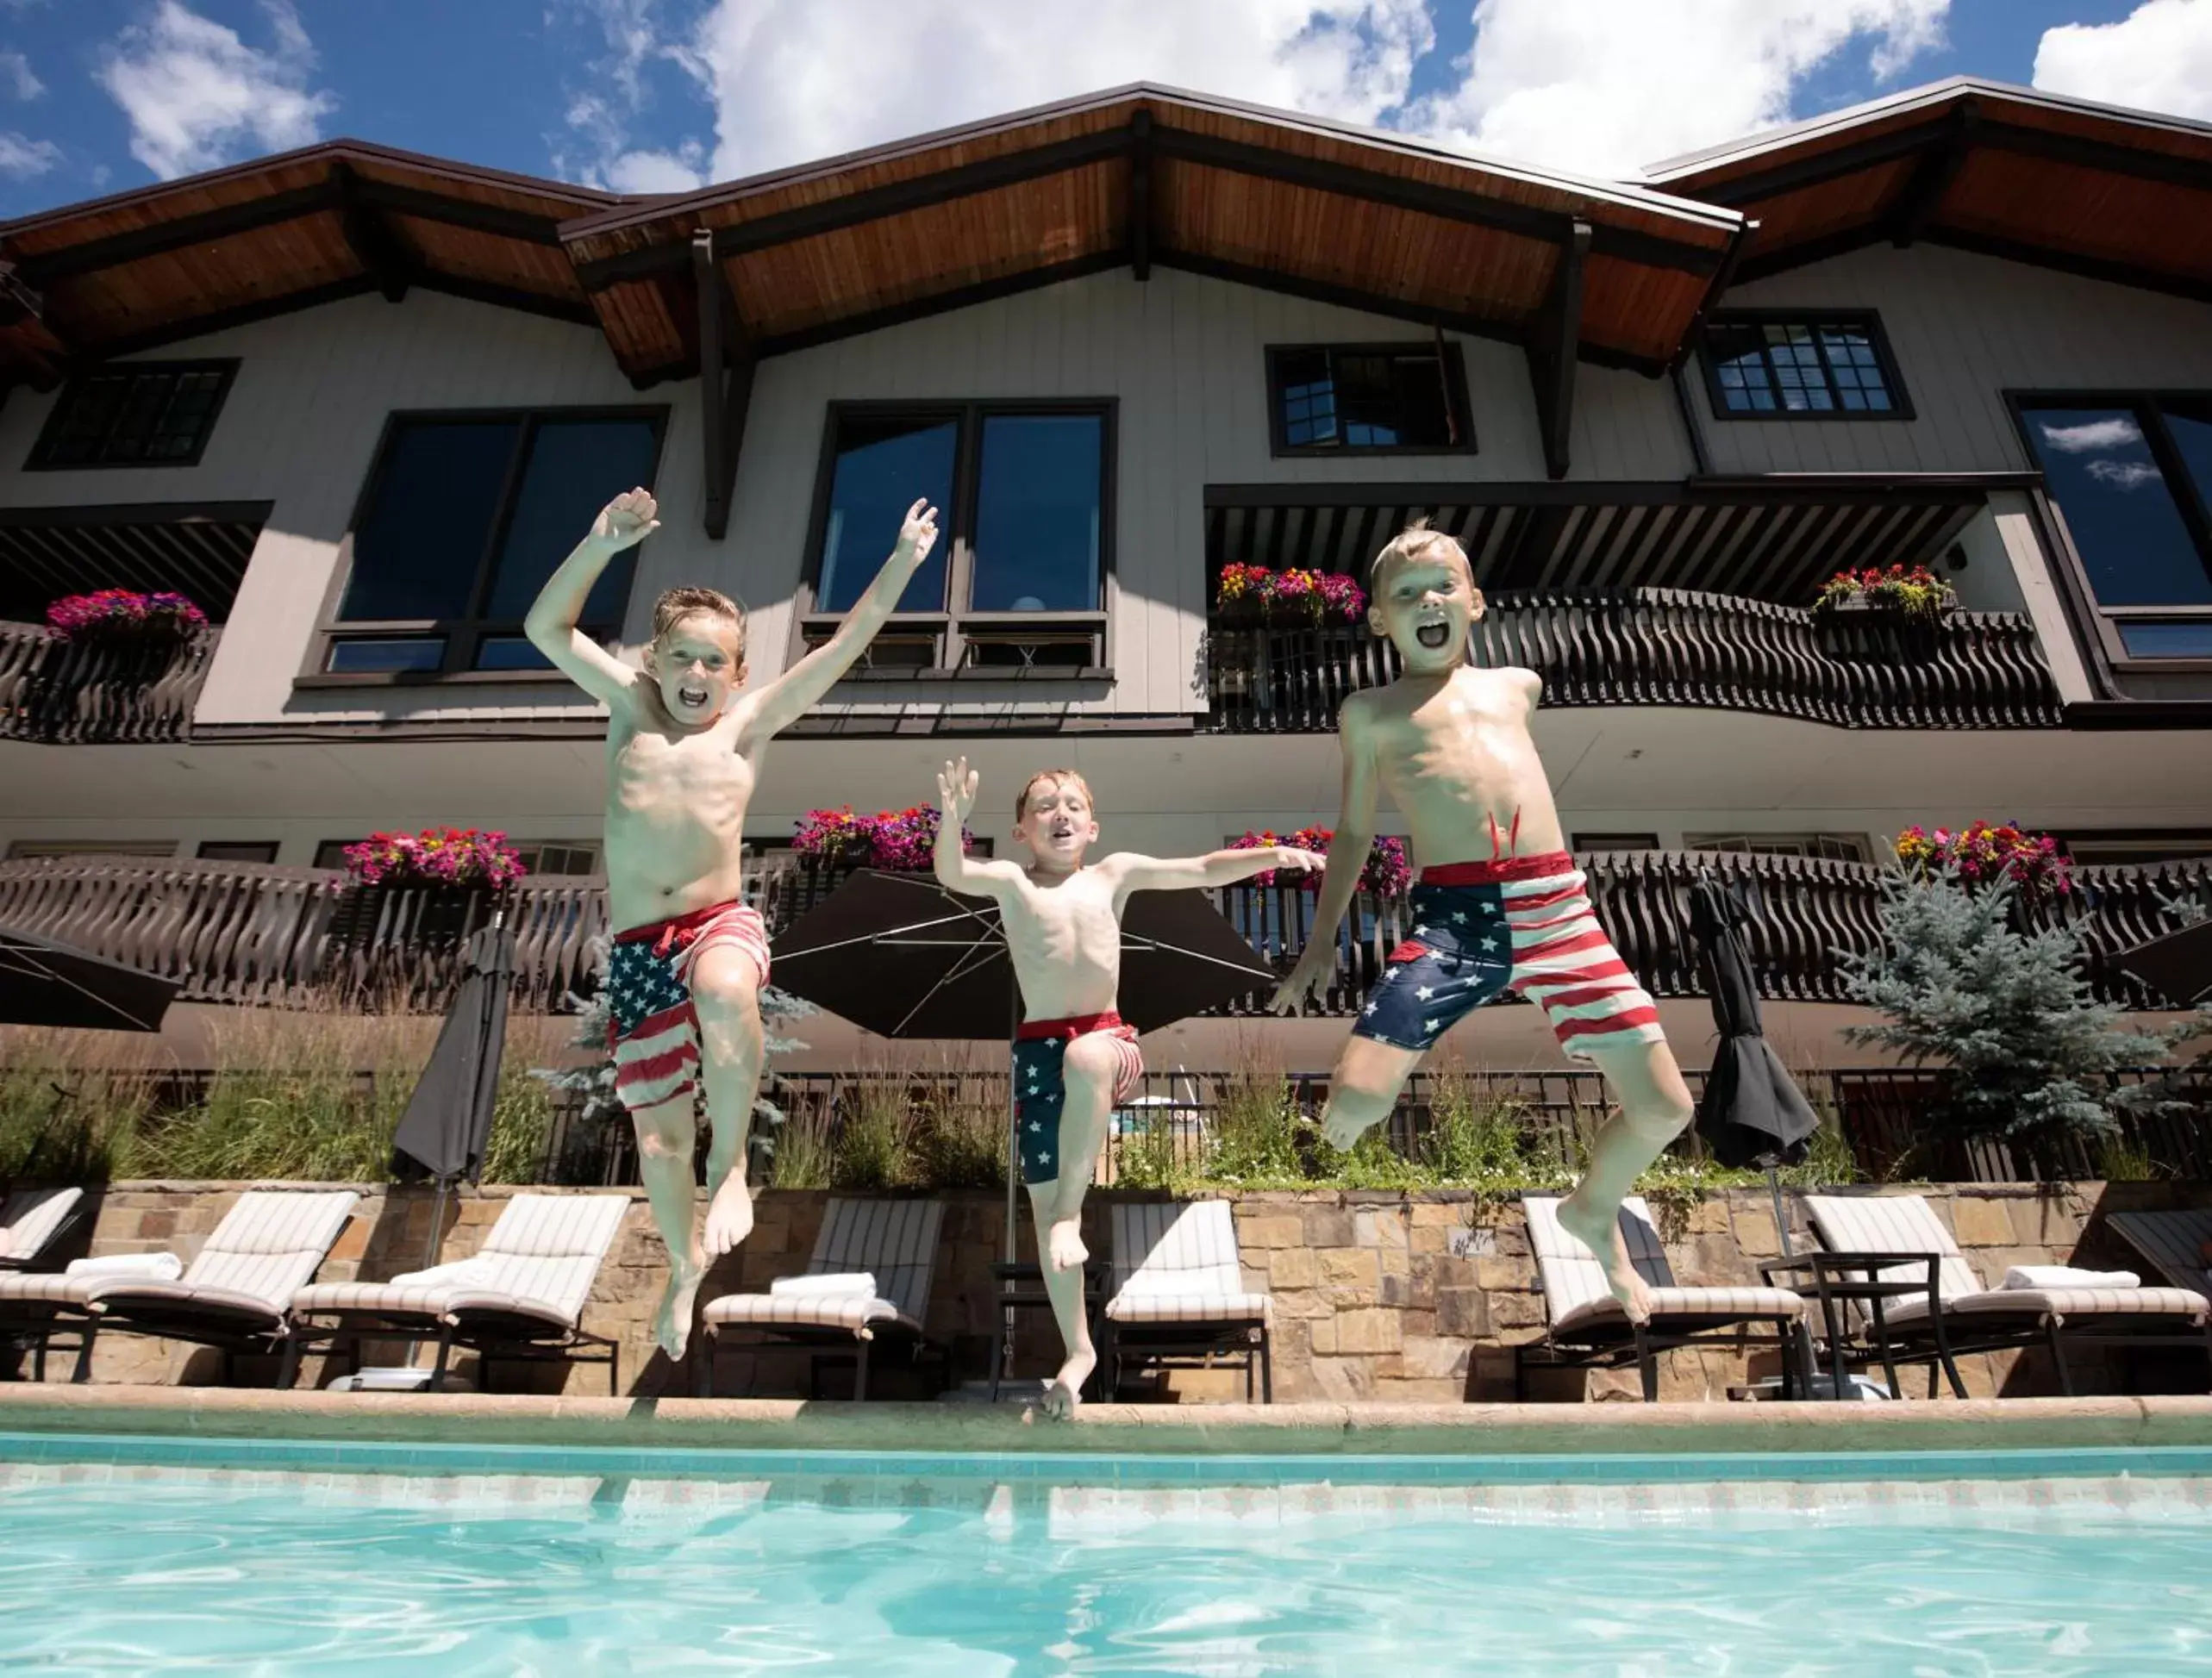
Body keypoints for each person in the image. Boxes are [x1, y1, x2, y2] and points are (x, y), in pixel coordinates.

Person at [525, 487, 940, 1359]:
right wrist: (601, 541)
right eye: (682, 658)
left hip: (717, 921)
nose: (698, 676)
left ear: (738, 674)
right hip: (638, 948)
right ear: (654, 661)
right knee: (660, 1140)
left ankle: (738, 1167)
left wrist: (899, 561)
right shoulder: (627, 706)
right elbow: (546, 630)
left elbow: (846, 644)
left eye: (715, 663)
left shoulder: (747, 726)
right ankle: (683, 1270)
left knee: (724, 989)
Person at [1270, 519, 1693, 1321]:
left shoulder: (1516, 687)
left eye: (1442, 587)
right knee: (1358, 1099)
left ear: (1475, 601)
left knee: (1666, 1107)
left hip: (1558, 909)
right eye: (1404, 595)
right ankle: (1315, 1147)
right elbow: (1357, 830)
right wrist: (1323, 936)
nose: (1427, 601)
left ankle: (1593, 1209)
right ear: (1379, 621)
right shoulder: (1370, 711)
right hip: (1457, 920)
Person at [932, 758, 1323, 1417]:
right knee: (1039, 1199)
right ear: (1023, 831)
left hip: (1109, 1040)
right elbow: (952, 872)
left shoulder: (1112, 875)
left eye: (1073, 805)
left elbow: (1199, 869)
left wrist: (1272, 854)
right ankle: (1078, 1349)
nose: (1061, 813)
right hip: (1036, 1051)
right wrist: (951, 820)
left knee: (1085, 1063)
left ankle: (1068, 1217)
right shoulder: (1011, 882)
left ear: (1093, 826)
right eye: (1045, 806)